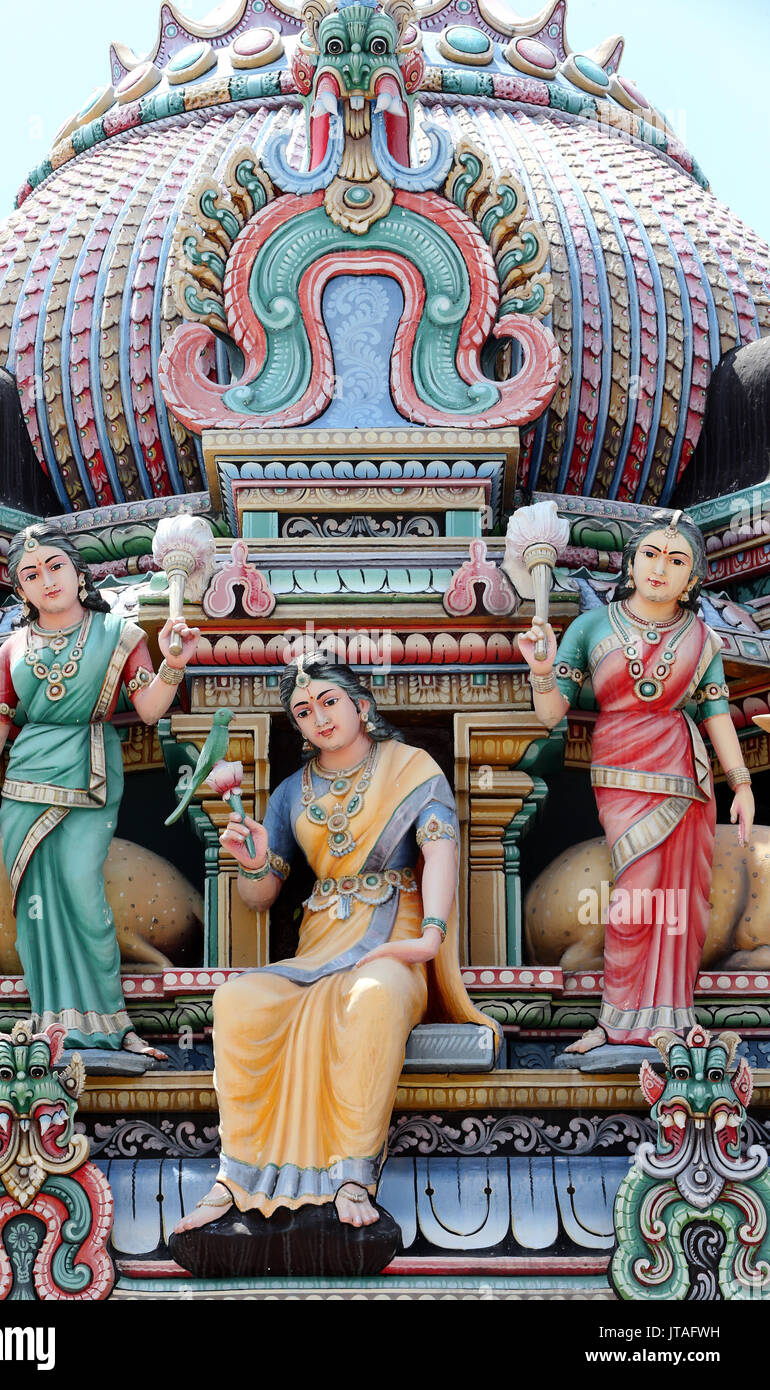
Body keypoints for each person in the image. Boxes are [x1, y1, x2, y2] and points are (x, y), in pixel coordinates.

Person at [174, 652, 497, 1231]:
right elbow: (262, 896)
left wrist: (429, 939)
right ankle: (238, 1173)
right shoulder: (291, 792)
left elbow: (441, 849)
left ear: (361, 706)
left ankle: (352, 1175)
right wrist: (251, 863)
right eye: (303, 710)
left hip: (391, 942)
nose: (319, 717)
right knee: (237, 1001)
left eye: (329, 702)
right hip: (318, 947)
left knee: (370, 997)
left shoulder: (410, 766)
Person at [517, 510, 754, 1053]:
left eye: (676, 561)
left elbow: (716, 712)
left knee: (683, 898)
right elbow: (552, 716)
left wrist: (740, 784)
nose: (660, 568)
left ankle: (670, 1017)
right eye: (650, 554)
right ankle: (616, 1023)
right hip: (621, 766)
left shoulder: (700, 636)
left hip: (682, 770)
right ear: (631, 561)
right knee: (634, 896)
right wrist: (541, 669)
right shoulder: (591, 627)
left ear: (692, 579)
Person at [0, 522, 200, 1057]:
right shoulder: (13, 648)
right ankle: (54, 1023)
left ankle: (112, 1024)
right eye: (30, 574)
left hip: (89, 774)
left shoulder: (119, 634)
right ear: (20, 590)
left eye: (55, 566)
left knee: (81, 889)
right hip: (25, 783)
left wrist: (174, 664)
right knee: (35, 905)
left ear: (78, 572)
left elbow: (149, 709)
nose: (46, 580)